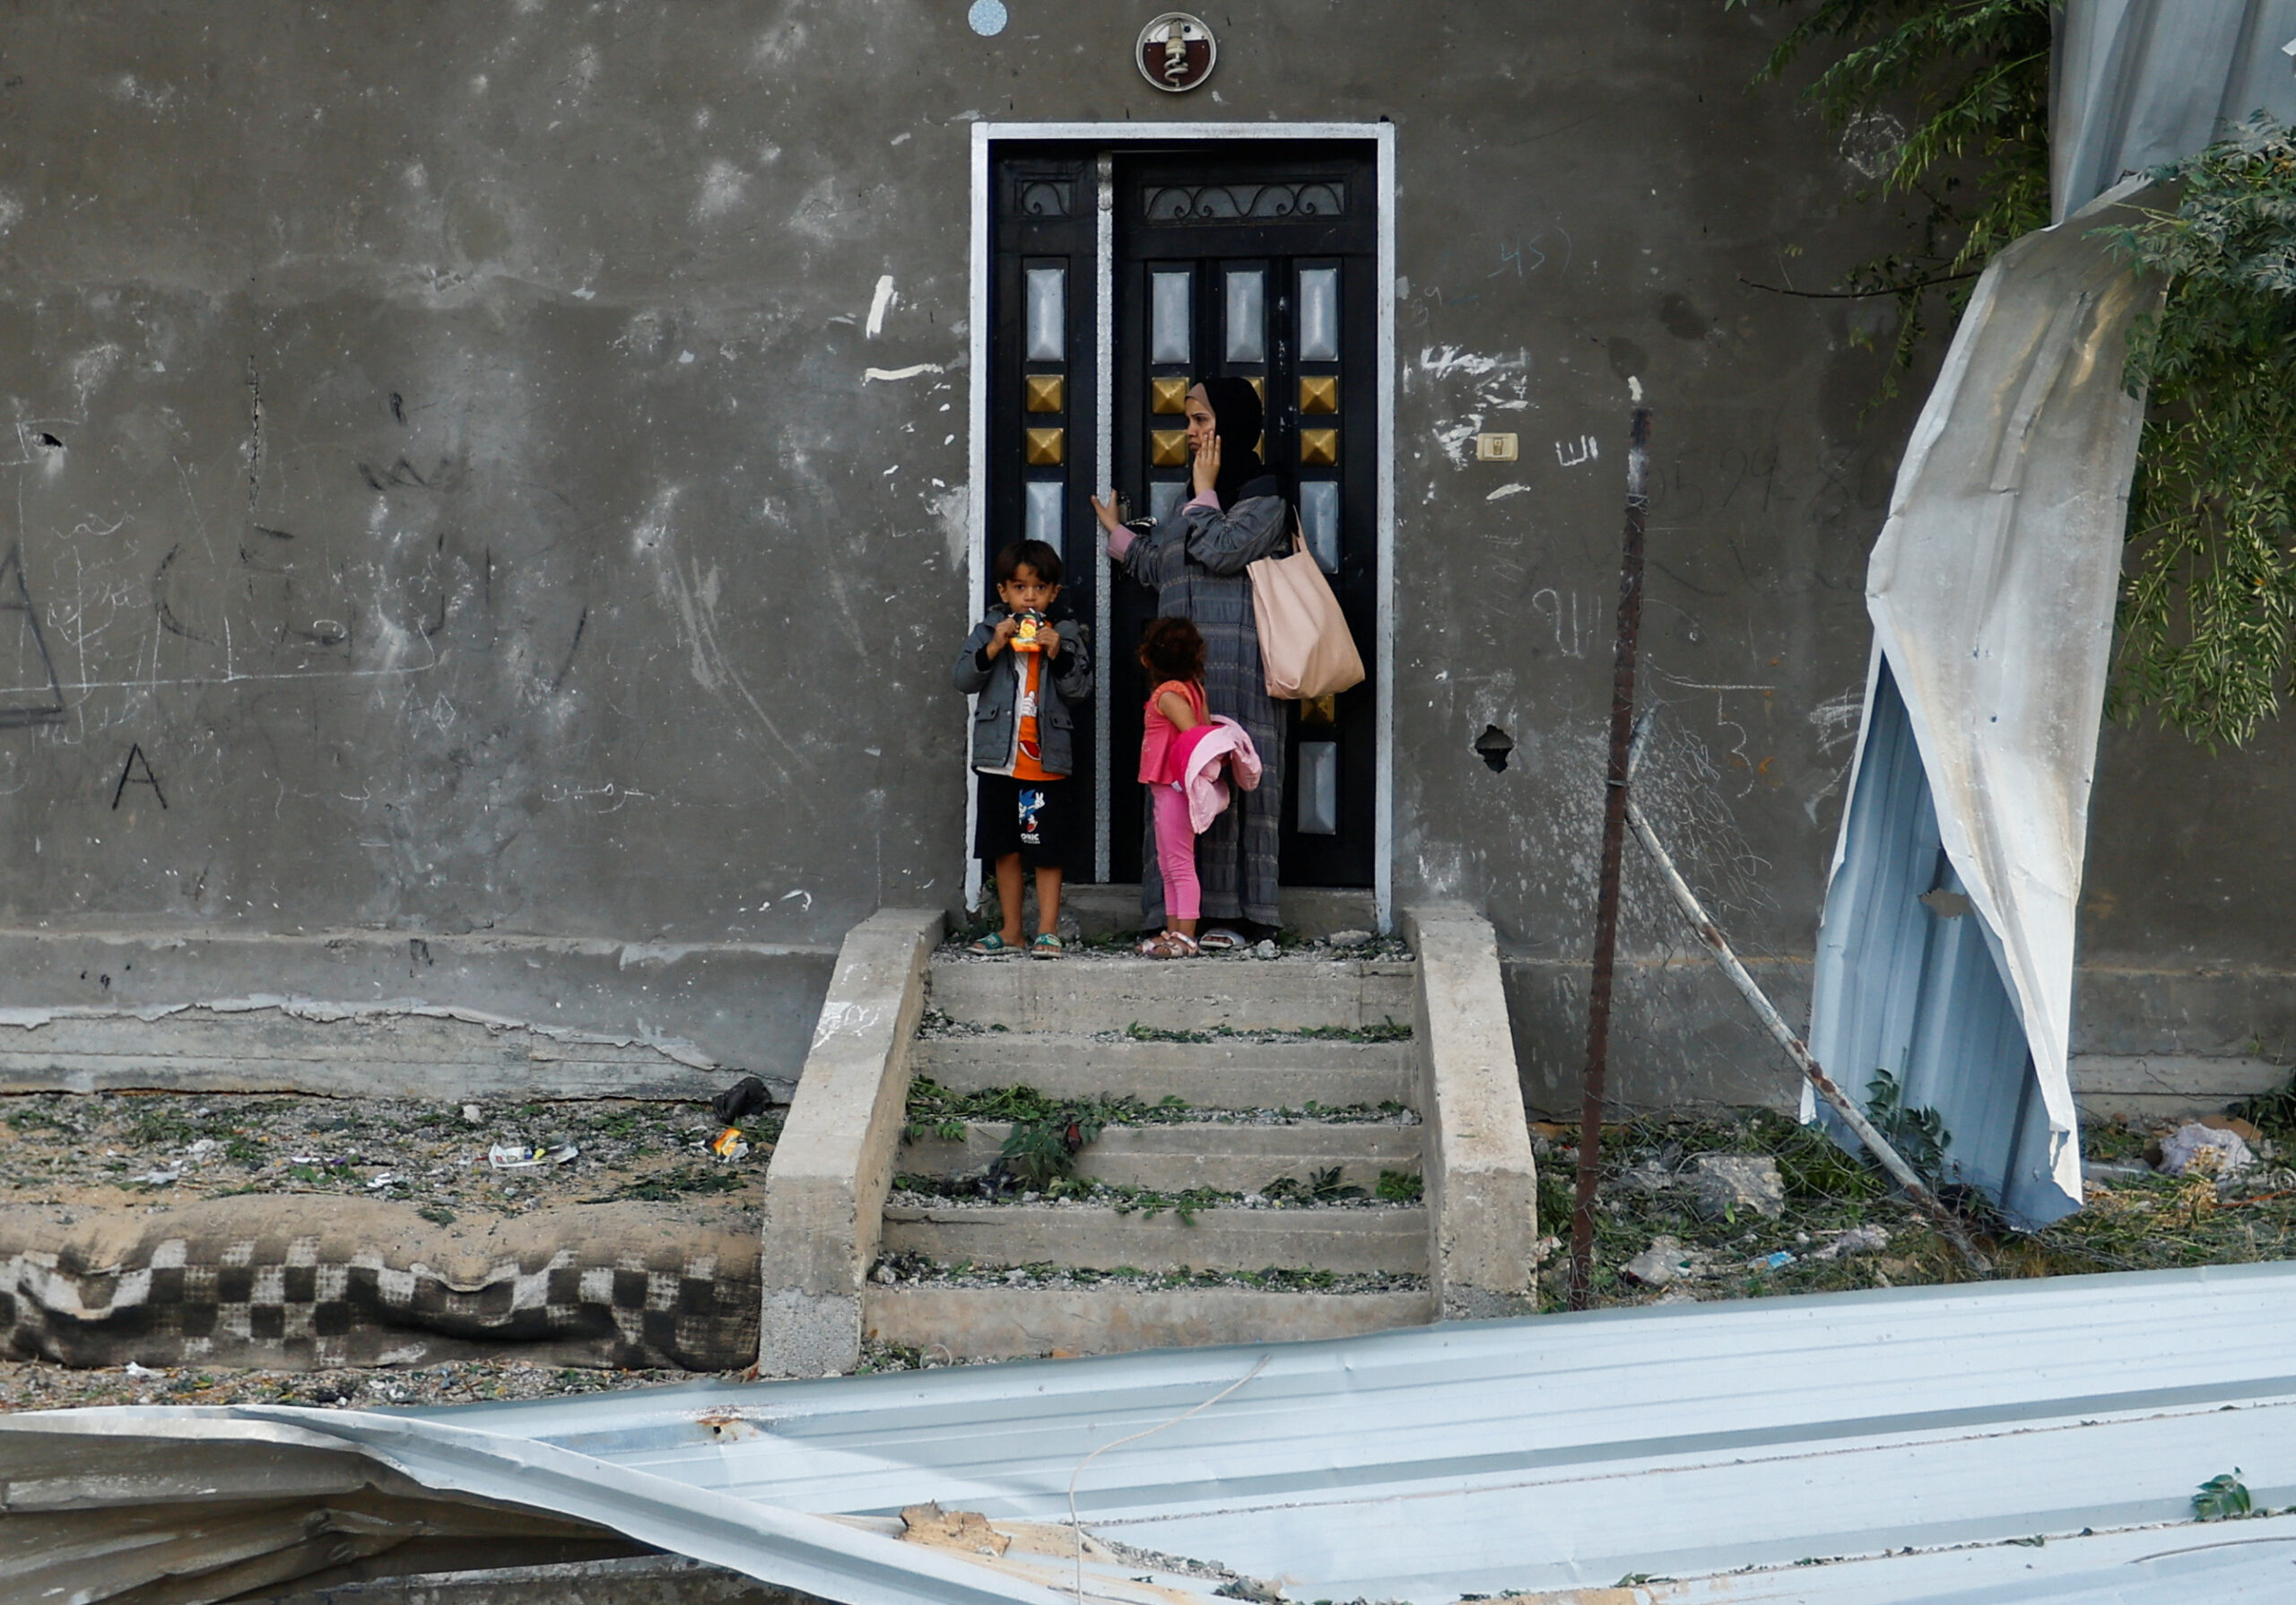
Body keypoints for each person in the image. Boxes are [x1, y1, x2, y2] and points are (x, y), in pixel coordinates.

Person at [1092, 376, 1290, 949]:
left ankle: (1236, 916)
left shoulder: (1265, 495)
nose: (1190, 433)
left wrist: (1205, 494)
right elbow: (1169, 567)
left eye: (1201, 421)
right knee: (1181, 788)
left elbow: (1222, 550)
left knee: (1226, 784)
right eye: (1188, 421)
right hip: (1184, 675)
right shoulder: (1189, 499)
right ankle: (1178, 918)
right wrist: (1118, 534)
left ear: (1231, 426)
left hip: (1238, 668)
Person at [952, 539, 1091, 958]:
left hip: (1044, 763)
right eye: (1019, 587)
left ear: (1053, 594)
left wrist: (1058, 654)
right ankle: (1012, 930)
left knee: (1046, 849)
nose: (1029, 597)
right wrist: (993, 646)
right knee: (1004, 847)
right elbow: (962, 679)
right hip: (999, 762)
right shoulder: (987, 631)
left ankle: (1046, 930)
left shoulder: (1065, 635)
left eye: (1039, 588)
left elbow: (1079, 689)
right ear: (1003, 592)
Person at [1135, 616, 1209, 959]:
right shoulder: (1193, 688)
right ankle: (1174, 931)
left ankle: (1187, 937)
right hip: (1171, 788)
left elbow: (1194, 734)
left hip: (1173, 787)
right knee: (1168, 864)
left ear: (1148, 657)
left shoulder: (1167, 695)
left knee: (1178, 864)